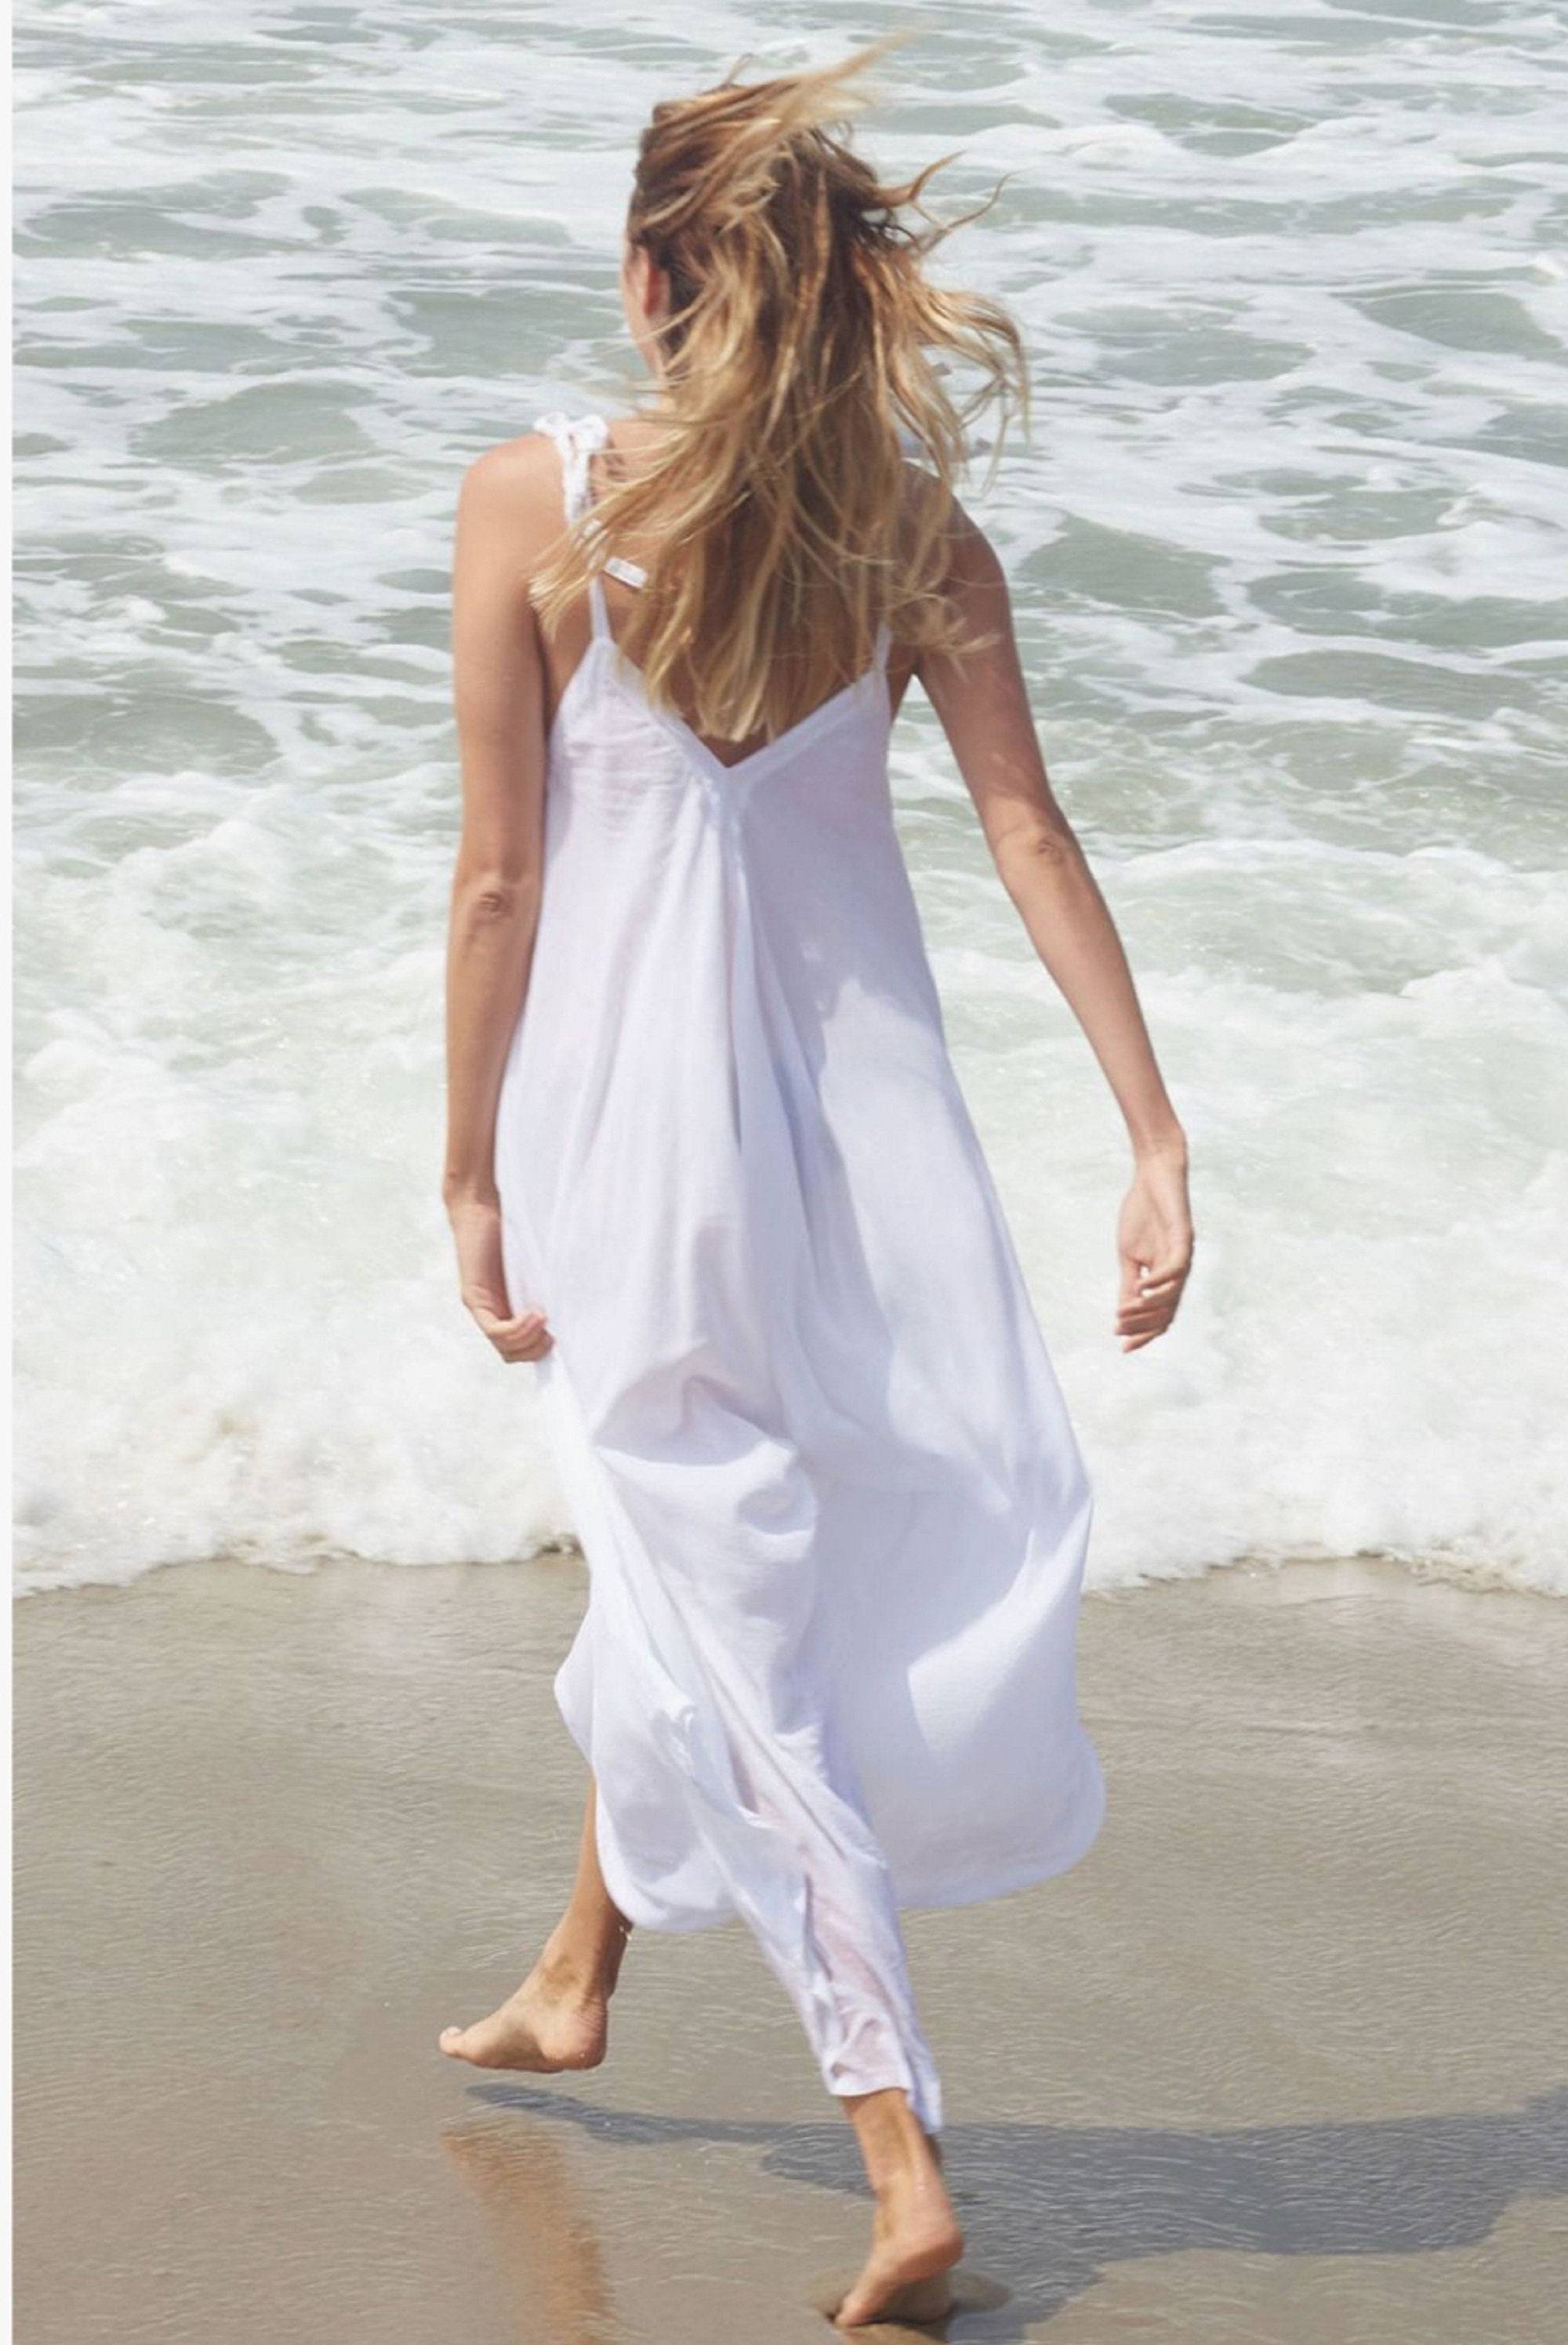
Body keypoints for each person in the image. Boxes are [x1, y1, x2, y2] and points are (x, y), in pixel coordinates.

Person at [437, 43, 1192, 2332]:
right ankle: (577, 1975)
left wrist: (464, 1175)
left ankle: (897, 2148)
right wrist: (1152, 1133)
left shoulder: (533, 502)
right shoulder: (910, 537)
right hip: (872, 1142)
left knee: (723, 1594)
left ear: (654, 278)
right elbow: (1029, 836)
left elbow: (498, 883)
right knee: (705, 1555)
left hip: (633, 1144)